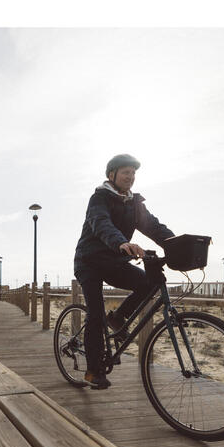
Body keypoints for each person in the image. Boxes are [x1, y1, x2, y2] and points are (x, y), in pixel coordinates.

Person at [73, 153, 175, 389]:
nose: (130, 177)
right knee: (96, 315)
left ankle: (118, 317)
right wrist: (120, 242)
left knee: (150, 283)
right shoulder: (99, 198)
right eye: (125, 172)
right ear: (112, 175)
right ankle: (93, 371)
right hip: (89, 261)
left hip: (114, 261)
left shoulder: (134, 204)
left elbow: (153, 226)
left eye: (133, 173)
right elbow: (101, 222)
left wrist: (175, 243)